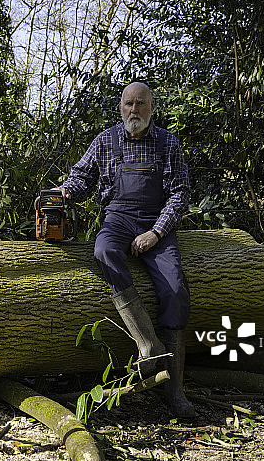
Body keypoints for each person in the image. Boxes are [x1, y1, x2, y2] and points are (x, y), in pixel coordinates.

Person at [56, 82, 195, 418]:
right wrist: (62, 193)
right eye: (129, 103)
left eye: (141, 103)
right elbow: (81, 179)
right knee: (104, 250)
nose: (134, 109)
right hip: (117, 217)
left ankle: (175, 391)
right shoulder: (105, 141)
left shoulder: (167, 143)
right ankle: (148, 343)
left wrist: (156, 233)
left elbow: (179, 194)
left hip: (156, 221)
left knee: (175, 290)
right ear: (121, 107)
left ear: (152, 107)